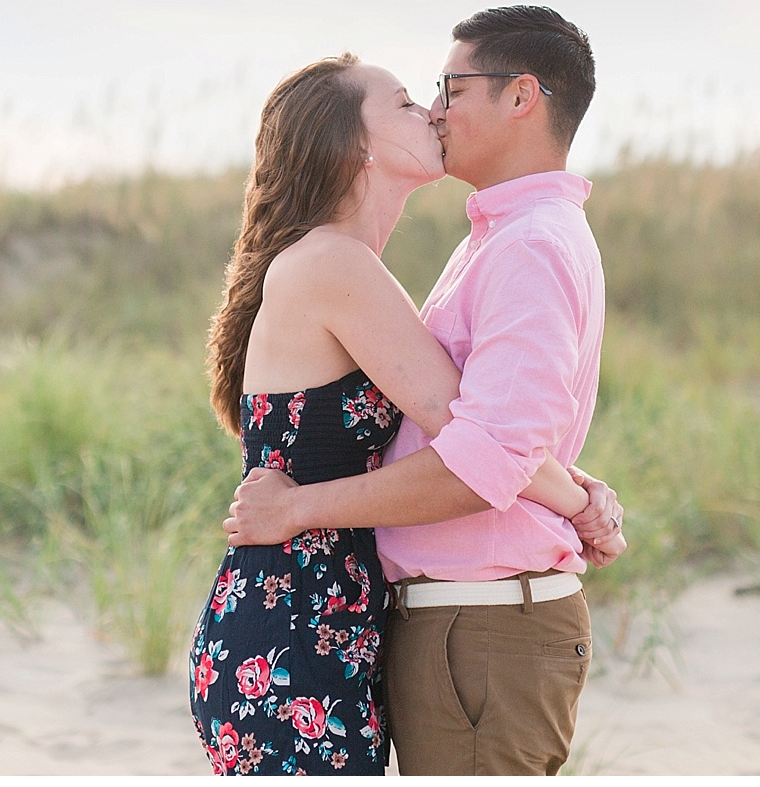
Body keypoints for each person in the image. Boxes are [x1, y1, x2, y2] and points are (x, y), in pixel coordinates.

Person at [188, 50, 624, 776]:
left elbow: (482, 432)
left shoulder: (354, 266)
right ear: (353, 144)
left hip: (330, 616)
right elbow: (464, 423)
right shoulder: (334, 263)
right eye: (401, 103)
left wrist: (579, 490)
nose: (429, 110)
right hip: (295, 623)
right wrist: (580, 502)